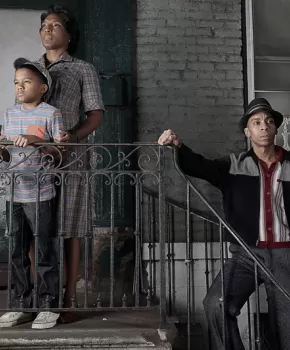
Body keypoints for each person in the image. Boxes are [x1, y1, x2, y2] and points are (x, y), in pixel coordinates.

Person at [158, 98, 290, 349]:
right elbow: (200, 166)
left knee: (286, 324)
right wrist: (178, 146)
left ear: (275, 129)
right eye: (257, 122)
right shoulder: (234, 165)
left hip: (286, 254)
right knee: (216, 303)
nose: (264, 127)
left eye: (269, 122)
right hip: (246, 255)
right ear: (247, 131)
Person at [34, 4, 104, 323]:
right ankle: (44, 294)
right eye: (44, 26)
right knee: (37, 225)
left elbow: (96, 114)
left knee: (71, 227)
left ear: (69, 35)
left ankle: (69, 298)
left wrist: (72, 138)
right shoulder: (30, 70)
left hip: (72, 158)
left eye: (55, 25)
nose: (48, 30)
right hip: (35, 159)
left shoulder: (82, 69)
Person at [0, 58, 64, 329]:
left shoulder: (51, 114)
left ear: (42, 87)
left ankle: (49, 306)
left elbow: (63, 151)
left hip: (40, 192)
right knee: (15, 251)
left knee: (44, 249)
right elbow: (5, 153)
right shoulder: (8, 114)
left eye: (26, 82)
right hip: (13, 191)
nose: (20, 87)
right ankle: (20, 305)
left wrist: (38, 141)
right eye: (16, 82)